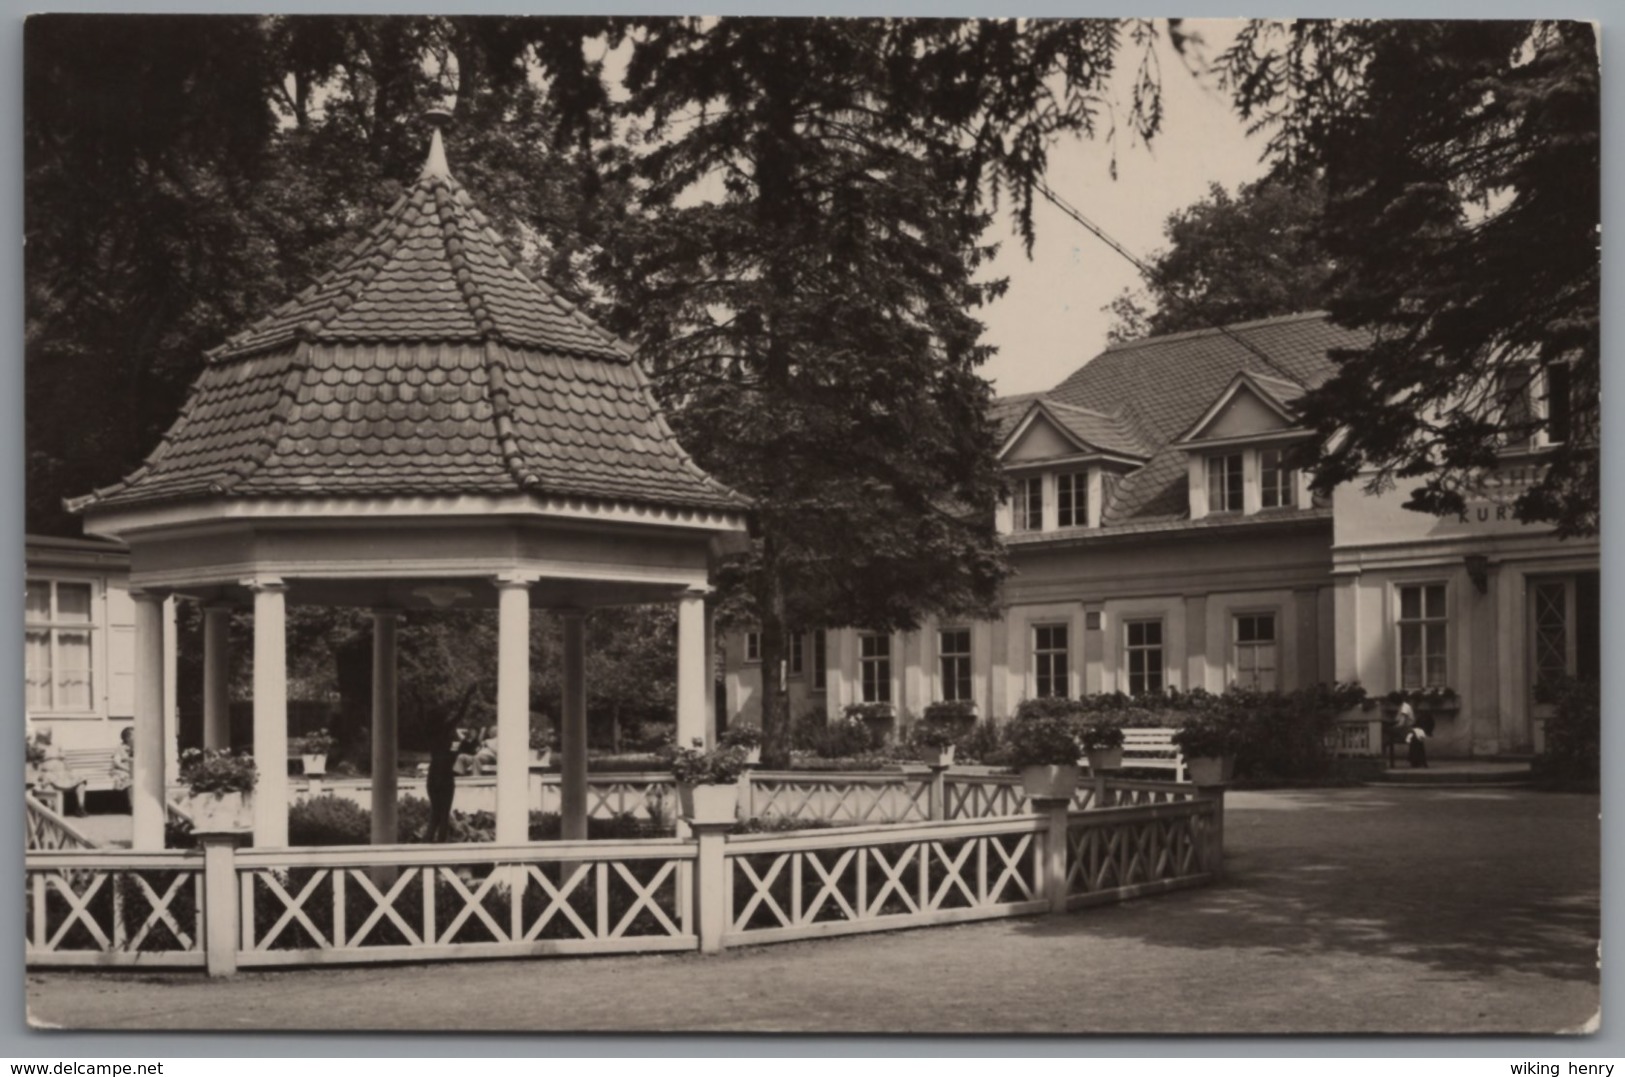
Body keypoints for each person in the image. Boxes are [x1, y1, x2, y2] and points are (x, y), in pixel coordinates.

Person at [37, 744, 88, 817]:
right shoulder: (39, 750)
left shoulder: (59, 753)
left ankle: (80, 807)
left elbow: (68, 767)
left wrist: (66, 764)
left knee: (80, 778)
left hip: (63, 775)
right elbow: (39, 766)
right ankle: (51, 809)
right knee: (47, 779)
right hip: (51, 775)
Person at [110, 726, 134, 811]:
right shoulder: (120, 748)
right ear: (127, 738)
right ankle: (132, 806)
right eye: (133, 736)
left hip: (133, 771)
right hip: (121, 771)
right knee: (131, 782)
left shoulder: (136, 748)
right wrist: (128, 770)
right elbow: (116, 762)